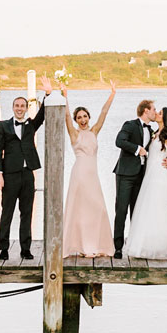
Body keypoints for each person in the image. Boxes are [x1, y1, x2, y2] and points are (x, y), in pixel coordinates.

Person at [0, 77, 54, 260]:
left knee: (27, 212)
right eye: (17, 105)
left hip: (28, 174)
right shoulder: (3, 126)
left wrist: (48, 94)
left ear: (26, 108)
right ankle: (3, 248)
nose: (20, 108)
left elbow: (43, 114)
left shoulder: (30, 125)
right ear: (13, 108)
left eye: (22, 106)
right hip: (9, 175)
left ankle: (25, 248)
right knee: (7, 212)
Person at [63, 82, 117, 258]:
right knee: (79, 210)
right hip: (79, 174)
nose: (83, 120)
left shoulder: (94, 131)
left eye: (85, 116)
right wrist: (65, 95)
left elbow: (103, 113)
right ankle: (81, 247)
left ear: (88, 117)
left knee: (97, 208)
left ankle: (95, 244)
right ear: (76, 120)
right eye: (79, 117)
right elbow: (65, 117)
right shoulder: (74, 134)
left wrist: (112, 94)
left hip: (92, 176)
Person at [127, 107, 167, 258]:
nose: (157, 114)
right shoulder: (155, 133)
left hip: (160, 174)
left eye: (160, 113)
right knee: (148, 209)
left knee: (160, 208)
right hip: (149, 174)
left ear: (166, 117)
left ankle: (165, 245)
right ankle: (149, 243)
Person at [112, 99, 158, 258]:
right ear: (146, 110)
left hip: (142, 175)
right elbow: (119, 141)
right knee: (121, 210)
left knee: (137, 212)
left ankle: (134, 245)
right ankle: (118, 247)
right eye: (153, 109)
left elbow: (155, 151)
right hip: (125, 174)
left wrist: (166, 160)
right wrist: (137, 149)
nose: (155, 113)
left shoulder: (151, 130)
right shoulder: (130, 125)